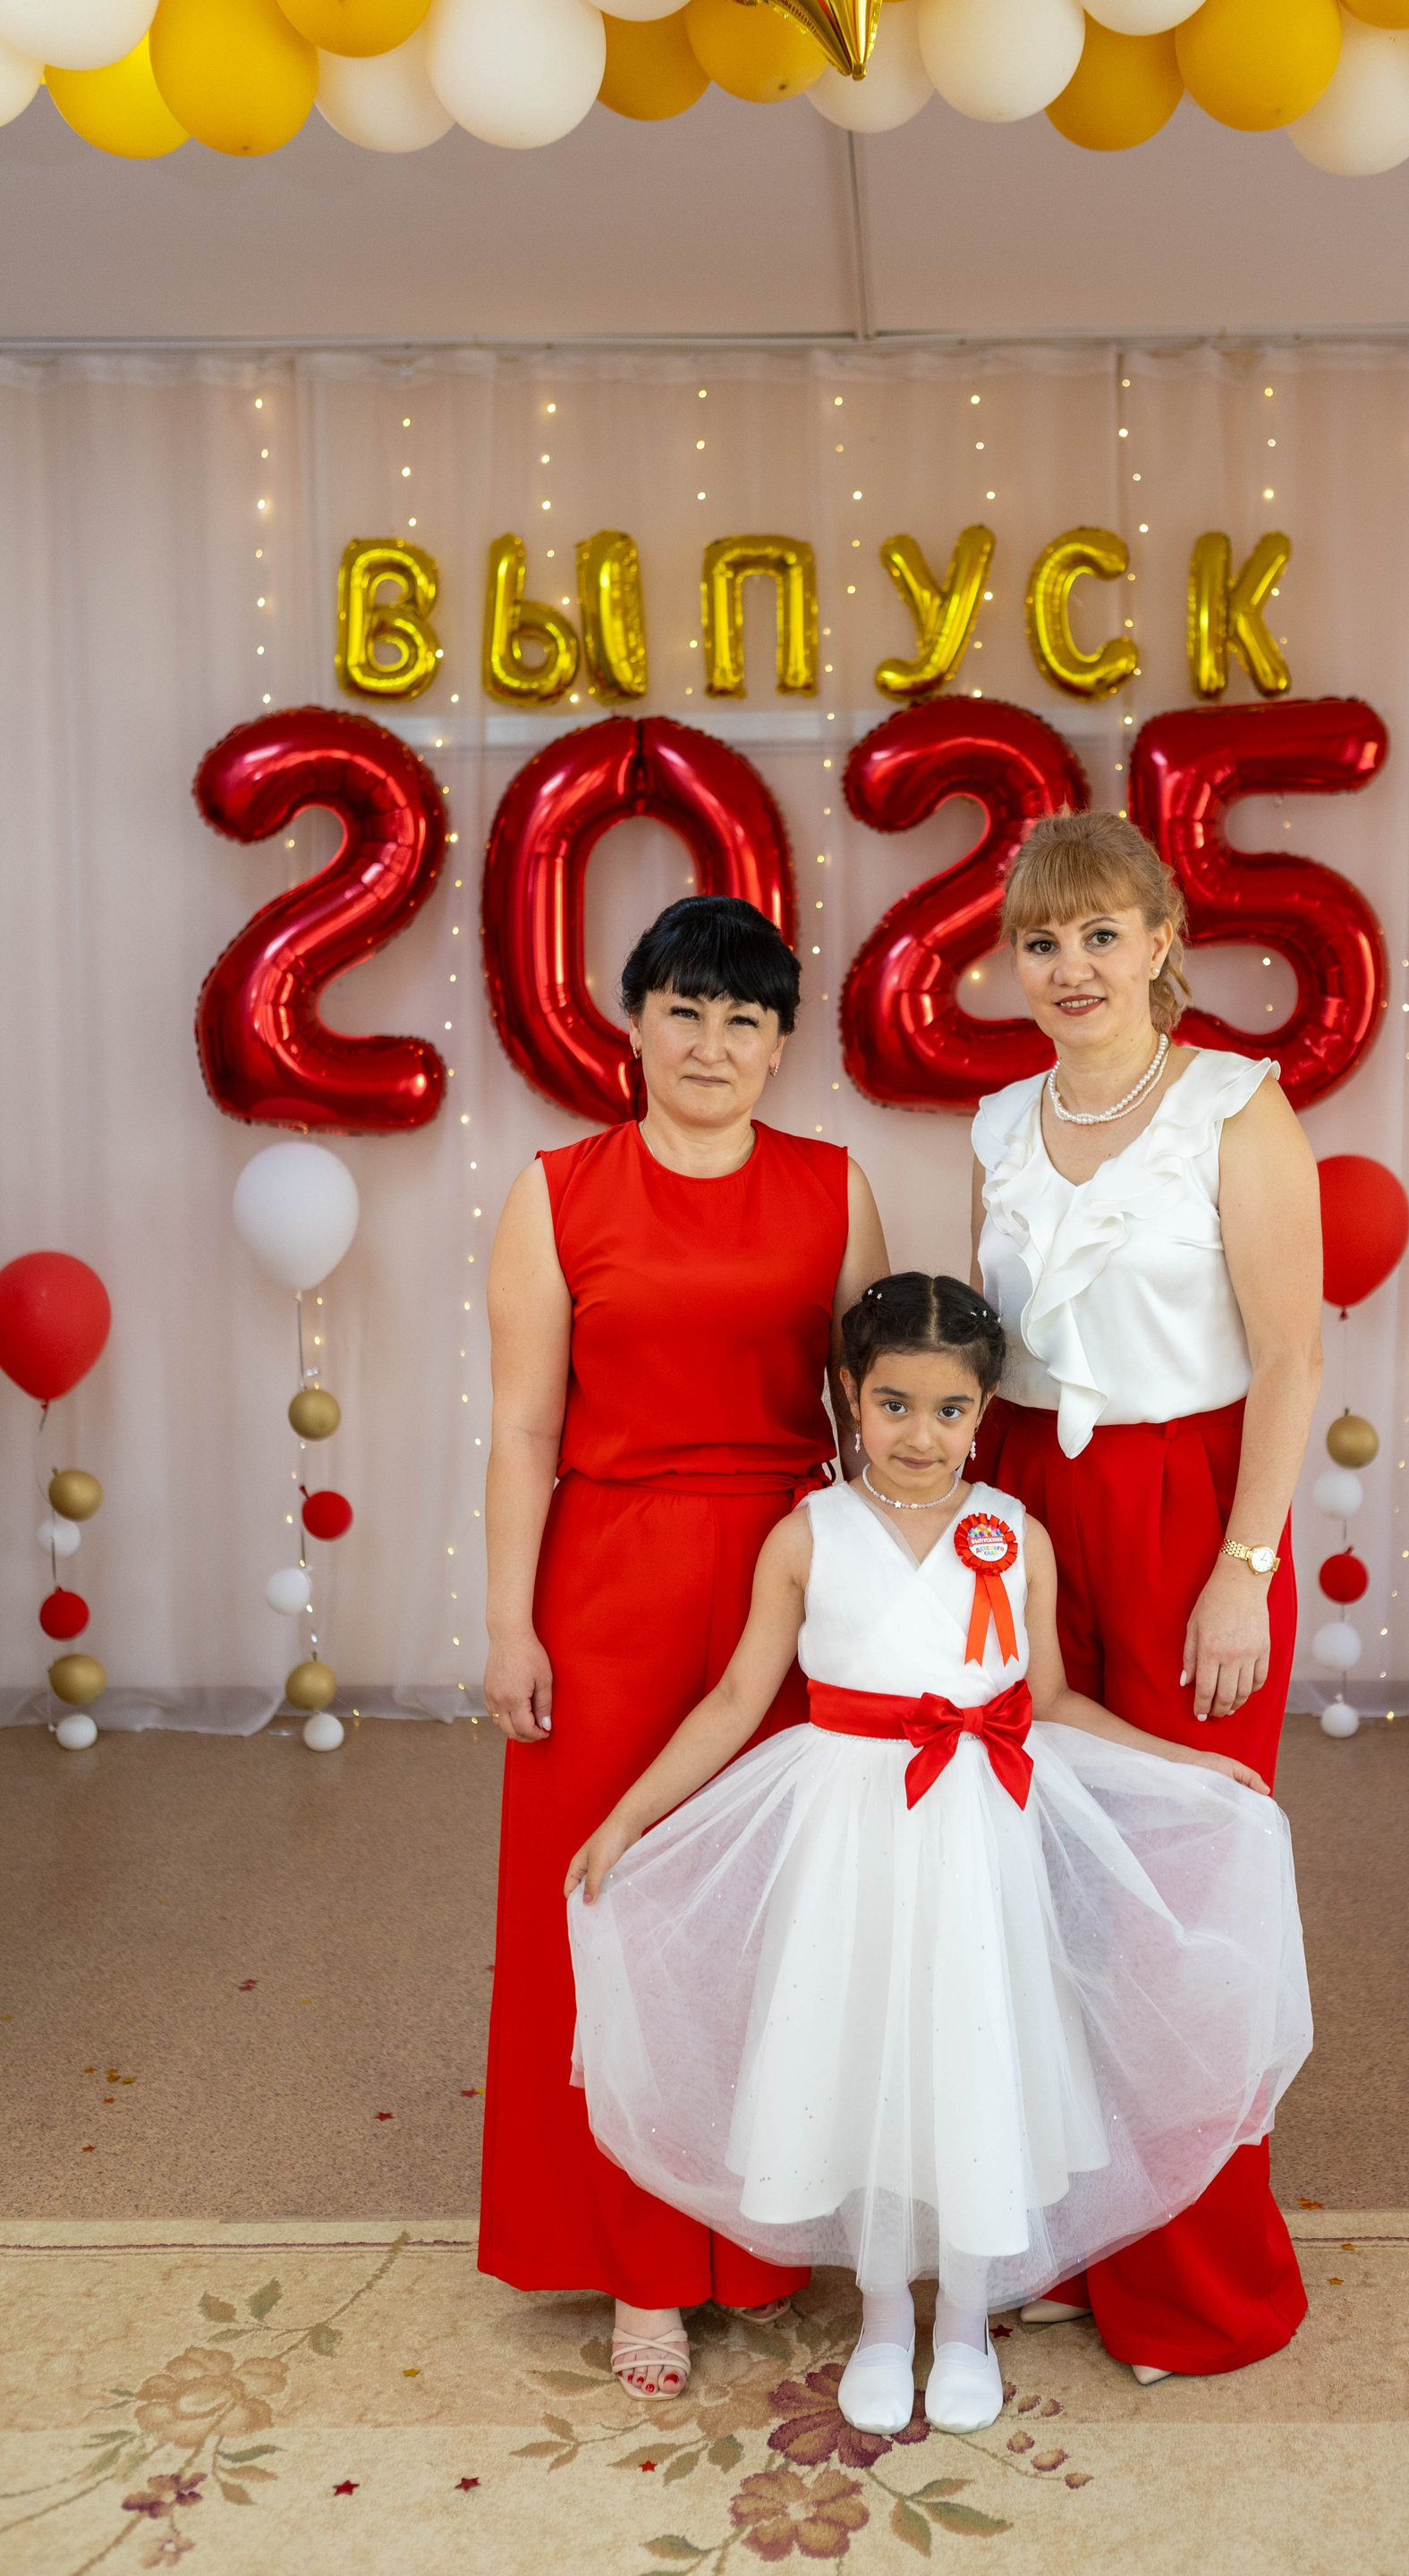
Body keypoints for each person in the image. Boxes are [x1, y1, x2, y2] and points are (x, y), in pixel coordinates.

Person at [565, 1273, 1311, 2436]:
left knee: (972, 2056)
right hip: (849, 1839)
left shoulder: (1014, 1535)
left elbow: (1050, 1700)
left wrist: (1190, 1764)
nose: (922, 1435)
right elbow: (735, 1699)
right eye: (895, 1405)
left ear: (985, 1410)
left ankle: (962, 2321)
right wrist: (630, 1815)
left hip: (976, 1838)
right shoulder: (807, 1537)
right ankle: (881, 2319)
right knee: (861, 2055)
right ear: (850, 1396)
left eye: (951, 1409)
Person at [480, 894, 889, 2402]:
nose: (712, 1044)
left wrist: (896, 1601)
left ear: (780, 1046)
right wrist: (508, 1620)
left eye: (745, 1019)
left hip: (793, 1576)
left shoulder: (837, 1189)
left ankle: (765, 2233)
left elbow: (873, 1419)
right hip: (609, 1581)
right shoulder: (554, 1192)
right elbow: (526, 1428)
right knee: (610, 1912)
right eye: (685, 1012)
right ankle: (639, 2261)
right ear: (637, 1025)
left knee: (782, 1915)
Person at [970, 808, 1324, 2388]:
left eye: (1101, 934)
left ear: (1163, 942)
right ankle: (1080, 2244)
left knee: (1182, 1893)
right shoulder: (996, 1125)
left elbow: (1291, 1357)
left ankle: (1202, 2286)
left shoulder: (1239, 1110)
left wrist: (1244, 1570)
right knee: (1048, 1888)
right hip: (1030, 1513)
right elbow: (988, 1362)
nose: (1072, 967)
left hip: (1189, 1515)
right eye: (1042, 941)